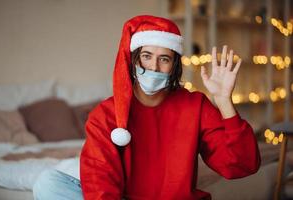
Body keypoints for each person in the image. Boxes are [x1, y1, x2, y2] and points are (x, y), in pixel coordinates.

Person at [33, 15, 261, 200]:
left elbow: (242, 166)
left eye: (164, 59)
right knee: (48, 184)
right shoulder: (105, 114)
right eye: (146, 56)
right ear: (133, 61)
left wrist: (224, 102)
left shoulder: (195, 105)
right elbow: (99, 180)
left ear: (174, 66)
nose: (154, 66)